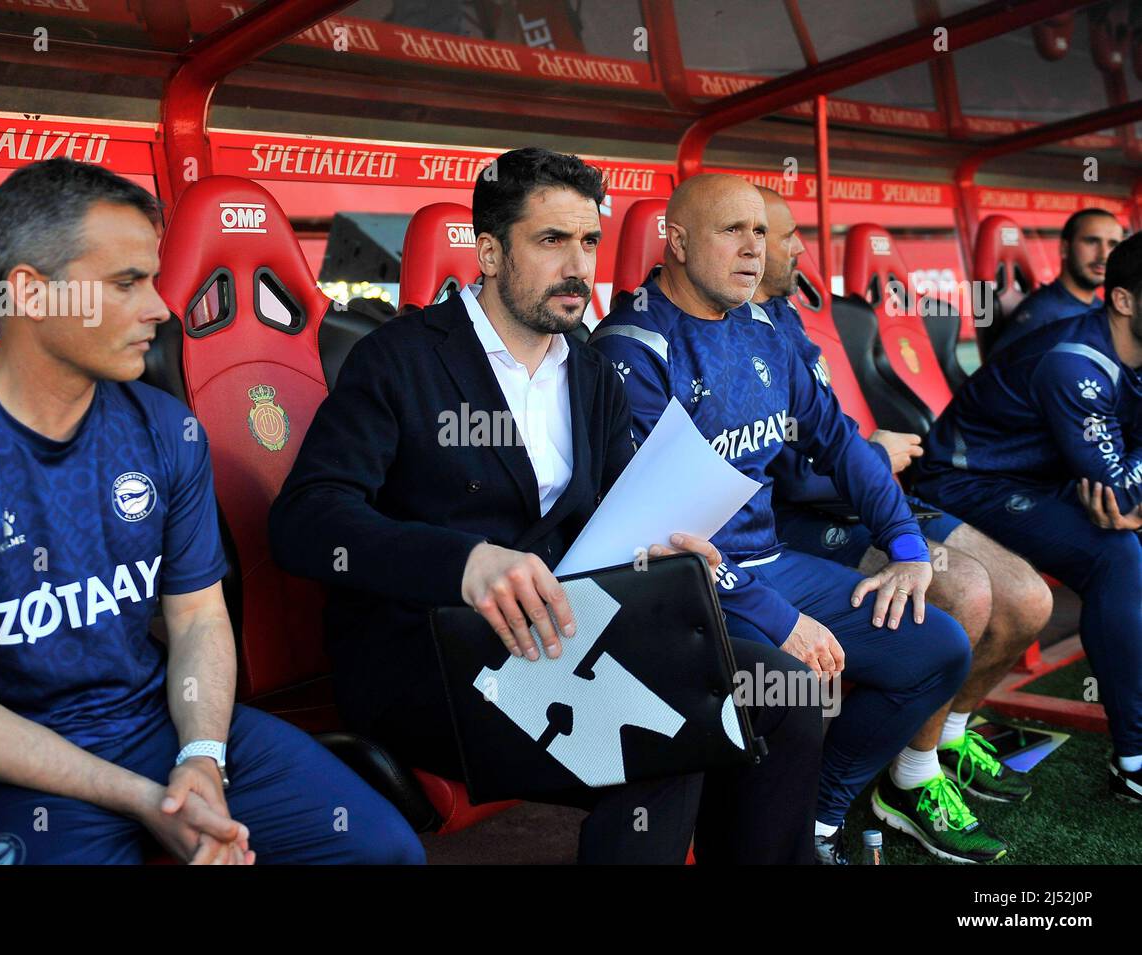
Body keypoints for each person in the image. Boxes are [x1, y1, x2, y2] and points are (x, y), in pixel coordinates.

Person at [0, 158, 423, 865]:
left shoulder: (165, 428)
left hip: (154, 721)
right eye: (127, 283)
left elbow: (199, 616)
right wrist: (146, 799)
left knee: (381, 849)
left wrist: (203, 759)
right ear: (30, 292)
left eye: (152, 277)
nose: (160, 307)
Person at [270, 148, 826, 864]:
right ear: (492, 252)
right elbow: (305, 520)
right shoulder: (400, 357)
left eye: (589, 240)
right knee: (672, 728)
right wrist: (463, 563)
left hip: (566, 633)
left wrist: (651, 551)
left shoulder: (590, 371)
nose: (578, 265)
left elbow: (618, 515)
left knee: (785, 690)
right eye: (551, 241)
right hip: (433, 651)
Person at [590, 173, 972, 864]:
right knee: (788, 684)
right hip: (685, 586)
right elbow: (663, 532)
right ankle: (755, 833)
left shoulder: (766, 327)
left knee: (937, 648)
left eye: (760, 231)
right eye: (731, 231)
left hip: (771, 563)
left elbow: (843, 444)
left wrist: (907, 544)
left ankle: (821, 814)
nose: (753, 249)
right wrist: (779, 616)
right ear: (675, 242)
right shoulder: (633, 345)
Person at [752, 188, 1052, 863]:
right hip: (800, 517)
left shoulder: (784, 318)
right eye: (785, 235)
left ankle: (945, 738)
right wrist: (868, 454)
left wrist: (866, 449)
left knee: (1029, 598)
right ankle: (911, 780)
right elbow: (783, 472)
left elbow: (825, 430)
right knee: (964, 592)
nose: (800, 248)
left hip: (862, 491)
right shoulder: (701, 334)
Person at [917, 232, 1142, 806]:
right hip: (963, 484)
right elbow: (1121, 499)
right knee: (1114, 552)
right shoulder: (1076, 363)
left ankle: (954, 737)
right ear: (1123, 300)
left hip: (1042, 482)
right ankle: (1135, 757)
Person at [991, 208, 1124, 354]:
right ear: (1064, 249)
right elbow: (993, 374)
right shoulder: (1041, 314)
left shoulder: (1102, 308)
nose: (1104, 255)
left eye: (1113, 245)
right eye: (1091, 241)